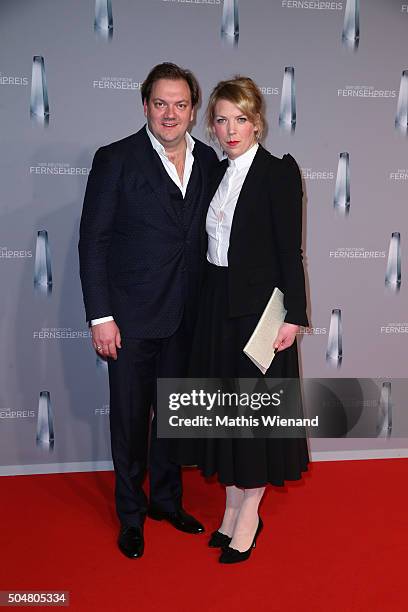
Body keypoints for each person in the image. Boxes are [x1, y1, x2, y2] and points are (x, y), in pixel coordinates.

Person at [78, 63, 218, 559]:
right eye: (161, 103)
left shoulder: (210, 162)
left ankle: (166, 501)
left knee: (175, 420)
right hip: (131, 319)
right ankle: (131, 516)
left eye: (181, 104)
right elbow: (93, 241)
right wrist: (101, 317)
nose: (170, 113)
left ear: (194, 110)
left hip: (188, 316)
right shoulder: (116, 159)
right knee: (131, 423)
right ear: (145, 106)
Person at [180, 76, 309, 564]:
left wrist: (293, 317)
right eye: (221, 119)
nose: (230, 129)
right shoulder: (214, 172)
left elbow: (288, 251)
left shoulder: (278, 173)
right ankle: (232, 507)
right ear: (210, 125)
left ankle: (249, 516)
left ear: (257, 122)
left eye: (240, 119)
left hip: (259, 315)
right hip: (216, 308)